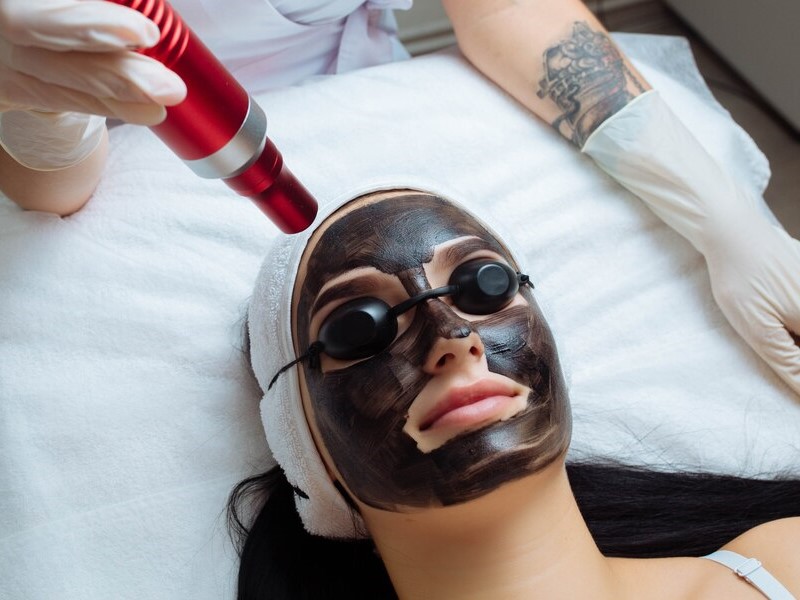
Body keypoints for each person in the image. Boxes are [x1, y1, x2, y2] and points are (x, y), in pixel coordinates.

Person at [1, 0, 798, 396]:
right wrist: (39, 109)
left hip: (387, 103)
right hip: (129, 162)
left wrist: (720, 218)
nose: (454, 343)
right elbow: (55, 189)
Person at [235, 187, 800, 599]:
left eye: (485, 285)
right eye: (362, 328)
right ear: (306, 449)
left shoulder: (784, 561)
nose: (454, 340)